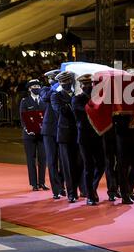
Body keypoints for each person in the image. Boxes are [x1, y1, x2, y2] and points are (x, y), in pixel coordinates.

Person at [72, 74, 105, 205]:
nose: (87, 87)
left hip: (97, 135)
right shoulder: (77, 99)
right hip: (84, 137)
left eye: (89, 85)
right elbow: (85, 111)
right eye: (85, 85)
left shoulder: (97, 99)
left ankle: (92, 187)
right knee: (89, 166)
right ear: (81, 86)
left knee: (102, 164)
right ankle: (90, 195)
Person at [51, 71, 83, 203]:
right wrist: (73, 107)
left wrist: (72, 106)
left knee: (80, 164)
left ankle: (81, 189)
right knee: (68, 166)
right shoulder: (56, 96)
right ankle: (71, 193)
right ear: (60, 83)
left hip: (78, 134)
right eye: (64, 82)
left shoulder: (77, 96)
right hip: (65, 135)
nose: (66, 84)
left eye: (68, 81)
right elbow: (61, 111)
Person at [19, 79, 48, 191]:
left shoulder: (44, 101)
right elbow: (23, 117)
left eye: (38, 85)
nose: (37, 88)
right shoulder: (25, 101)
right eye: (34, 86)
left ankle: (42, 182)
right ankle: (34, 184)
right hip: (29, 134)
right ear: (30, 88)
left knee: (43, 159)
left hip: (41, 134)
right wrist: (27, 128)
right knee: (31, 159)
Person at [40, 69, 65, 199]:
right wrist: (54, 87)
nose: (54, 80)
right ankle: (56, 189)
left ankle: (62, 184)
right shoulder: (45, 89)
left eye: (56, 78)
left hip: (62, 129)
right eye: (52, 79)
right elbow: (44, 98)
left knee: (63, 159)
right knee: (52, 160)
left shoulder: (63, 90)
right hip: (49, 130)